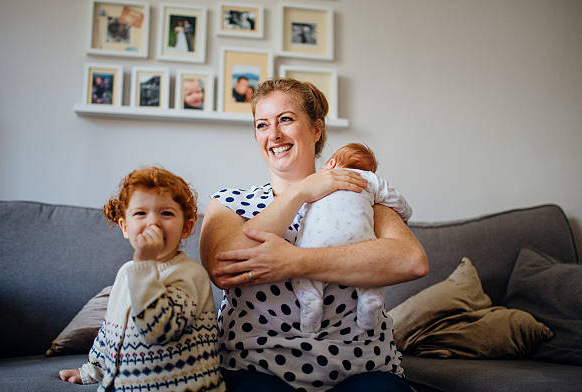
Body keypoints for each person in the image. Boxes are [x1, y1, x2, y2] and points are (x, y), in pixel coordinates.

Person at [200, 78, 428, 391]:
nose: (274, 134)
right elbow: (223, 268)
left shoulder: (355, 189)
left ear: (316, 129)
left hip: (362, 369)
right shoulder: (231, 202)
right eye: (262, 125)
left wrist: (295, 262)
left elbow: (411, 261)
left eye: (286, 120)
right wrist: (301, 191)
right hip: (256, 368)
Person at [59, 166, 224, 392]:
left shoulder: (189, 275)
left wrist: (145, 264)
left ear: (186, 227)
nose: (153, 223)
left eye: (166, 213)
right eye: (140, 213)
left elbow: (160, 329)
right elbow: (111, 330)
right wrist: (92, 370)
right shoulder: (128, 272)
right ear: (125, 227)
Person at [293, 143, 412, 334]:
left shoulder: (316, 182)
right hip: (359, 239)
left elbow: (298, 209)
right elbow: (396, 200)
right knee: (370, 266)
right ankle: (370, 299)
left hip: (316, 242)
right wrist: (405, 215)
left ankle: (311, 305)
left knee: (302, 272)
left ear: (330, 163)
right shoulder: (370, 180)